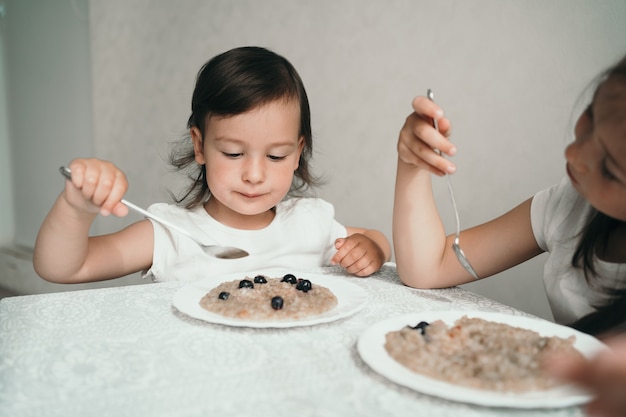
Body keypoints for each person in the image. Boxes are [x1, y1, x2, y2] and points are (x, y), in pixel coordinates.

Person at [34, 46, 390, 284]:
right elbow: (63, 267)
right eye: (234, 154)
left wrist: (371, 251)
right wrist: (76, 208)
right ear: (200, 146)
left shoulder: (311, 224)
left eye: (276, 156)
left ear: (298, 153)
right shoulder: (173, 234)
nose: (254, 175)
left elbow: (374, 239)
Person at [393, 54, 626, 416]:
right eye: (592, 116)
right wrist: (413, 165)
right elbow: (428, 267)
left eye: (611, 168)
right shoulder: (570, 208)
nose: (574, 153)